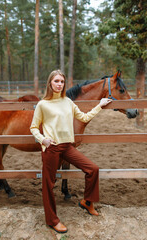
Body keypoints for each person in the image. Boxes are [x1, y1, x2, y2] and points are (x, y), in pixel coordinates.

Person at [30, 69, 112, 234]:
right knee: (48, 183)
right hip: (51, 148)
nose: (59, 84)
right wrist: (42, 139)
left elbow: (83, 117)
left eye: (61, 81)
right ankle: (52, 220)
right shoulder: (42, 104)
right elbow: (33, 127)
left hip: (67, 146)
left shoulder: (68, 102)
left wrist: (99, 105)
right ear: (50, 83)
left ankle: (87, 202)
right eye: (56, 81)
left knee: (92, 169)